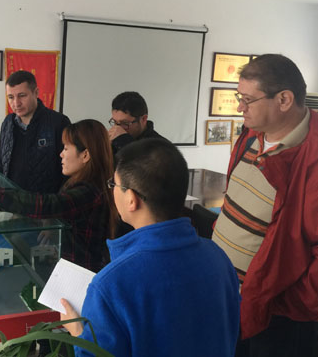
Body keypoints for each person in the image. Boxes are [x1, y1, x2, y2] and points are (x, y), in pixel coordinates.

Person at [211, 54, 318, 357]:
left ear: (283, 99)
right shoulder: (252, 135)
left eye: (247, 100)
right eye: (239, 98)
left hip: (279, 315)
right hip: (231, 297)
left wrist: (285, 304)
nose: (240, 107)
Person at [60, 138, 240, 357]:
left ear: (131, 199)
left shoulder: (111, 284)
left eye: (113, 184)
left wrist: (78, 333)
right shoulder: (218, 257)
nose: (111, 190)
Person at [0, 119, 117, 273]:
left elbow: (44, 205)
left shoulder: (89, 192)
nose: (61, 154)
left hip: (80, 275)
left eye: (66, 148)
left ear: (85, 155)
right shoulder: (82, 184)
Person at [0, 70, 71, 194]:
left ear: (36, 93)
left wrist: (59, 201)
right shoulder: (7, 123)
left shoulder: (58, 122)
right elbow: (0, 167)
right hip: (11, 200)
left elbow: (69, 169)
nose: (16, 103)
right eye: (11, 97)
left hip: (46, 201)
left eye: (22, 95)